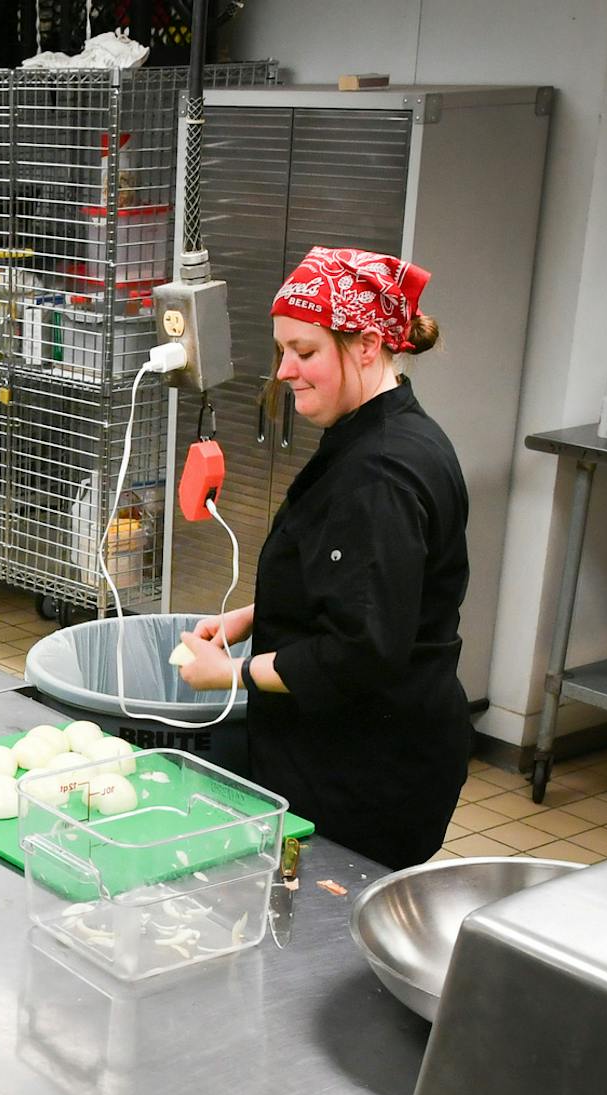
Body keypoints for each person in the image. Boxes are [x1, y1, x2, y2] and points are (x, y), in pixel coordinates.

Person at [175, 247, 468, 870]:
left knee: (327, 947)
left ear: (366, 346)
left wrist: (229, 674)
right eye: (283, 350)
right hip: (350, 747)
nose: (284, 371)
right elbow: (357, 587)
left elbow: (360, 653)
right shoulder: (380, 435)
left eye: (304, 352)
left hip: (366, 773)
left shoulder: (382, 475)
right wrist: (252, 616)